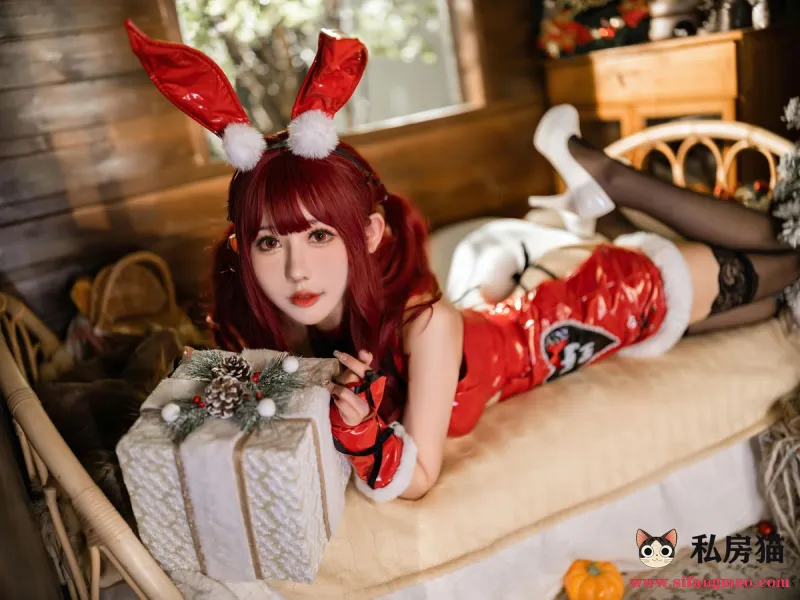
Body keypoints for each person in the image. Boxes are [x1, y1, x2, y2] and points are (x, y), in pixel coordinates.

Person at [126, 22, 800, 503]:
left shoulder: (426, 326)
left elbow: (419, 478)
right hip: (537, 305)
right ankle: (597, 200)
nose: (298, 271)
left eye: (320, 236)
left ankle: (610, 178)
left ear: (369, 233)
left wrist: (358, 432)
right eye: (272, 243)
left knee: (792, 258)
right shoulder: (281, 335)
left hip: (604, 302)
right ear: (244, 251)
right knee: (775, 309)